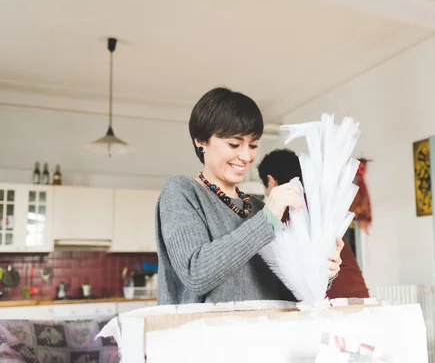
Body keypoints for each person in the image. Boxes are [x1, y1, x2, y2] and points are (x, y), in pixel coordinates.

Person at [155, 88, 344, 305]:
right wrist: (267, 220)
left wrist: (320, 272)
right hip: (203, 337)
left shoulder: (257, 207)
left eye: (253, 145)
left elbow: (285, 295)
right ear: (200, 141)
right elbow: (196, 274)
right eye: (234, 144)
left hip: (261, 335)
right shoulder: (182, 192)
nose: (246, 156)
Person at [258, 149, 370, 299]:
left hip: (331, 304)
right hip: (359, 295)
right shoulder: (317, 205)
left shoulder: (286, 210)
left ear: (271, 181)